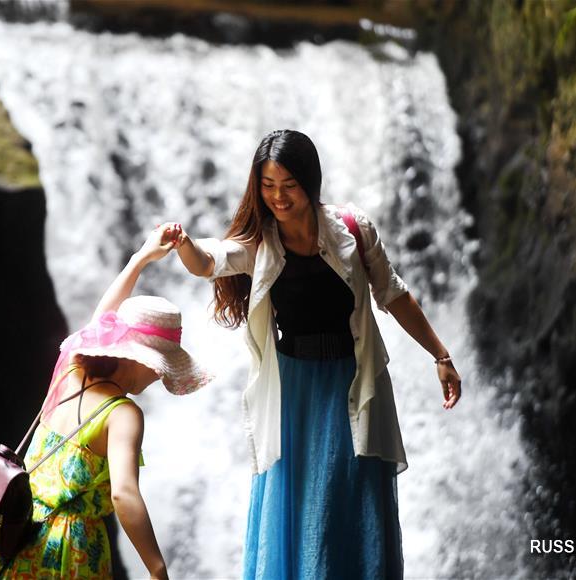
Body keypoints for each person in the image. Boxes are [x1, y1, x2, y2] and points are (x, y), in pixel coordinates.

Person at [168, 129, 462, 579]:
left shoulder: (352, 229)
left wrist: (439, 355)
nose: (278, 197)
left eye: (288, 185)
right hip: (294, 392)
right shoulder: (260, 242)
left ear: (310, 181)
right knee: (301, 502)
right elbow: (211, 262)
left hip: (352, 380)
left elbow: (394, 294)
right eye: (267, 186)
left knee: (350, 499)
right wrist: (185, 244)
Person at [0, 224, 212, 580]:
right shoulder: (122, 414)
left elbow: (102, 317)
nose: (161, 375)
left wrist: (141, 257)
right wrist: (158, 569)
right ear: (139, 358)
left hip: (15, 535)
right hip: (67, 553)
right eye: (161, 366)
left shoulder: (71, 368)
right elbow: (124, 495)